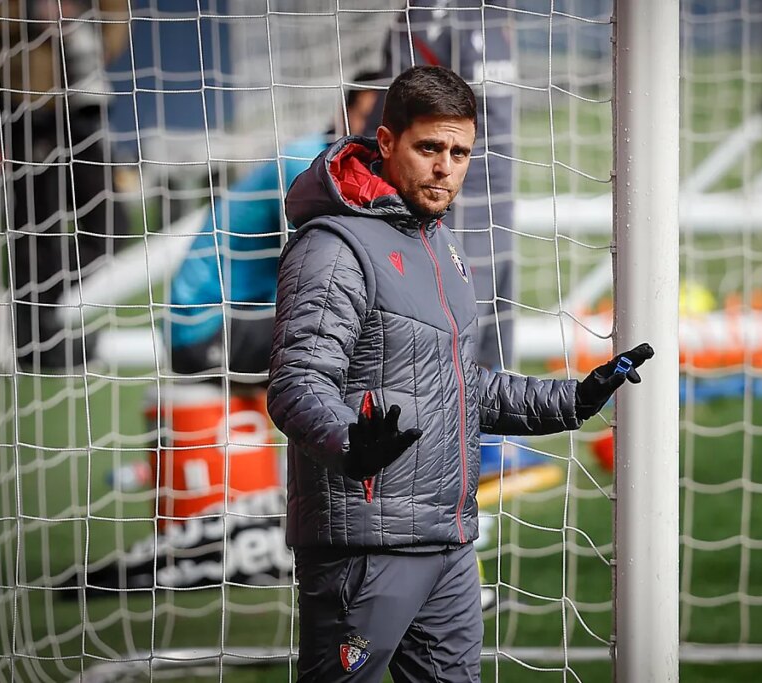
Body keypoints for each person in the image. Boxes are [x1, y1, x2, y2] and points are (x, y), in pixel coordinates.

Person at [268, 65, 653, 682]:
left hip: (448, 544)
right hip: (366, 545)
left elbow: (460, 387)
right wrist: (352, 443)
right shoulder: (333, 247)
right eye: (429, 148)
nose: (445, 167)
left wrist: (575, 399)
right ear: (386, 141)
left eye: (460, 153)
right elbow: (297, 384)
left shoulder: (442, 247)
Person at [167, 76, 382, 380]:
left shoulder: (329, 164)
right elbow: (327, 270)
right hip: (204, 329)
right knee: (358, 332)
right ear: (342, 114)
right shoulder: (308, 165)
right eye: (368, 117)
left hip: (239, 318)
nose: (374, 130)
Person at [372, 0, 518, 371]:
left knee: (487, 358)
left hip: (493, 210)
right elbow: (397, 119)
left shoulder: (493, 12)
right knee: (451, 357)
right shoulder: (434, 14)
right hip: (457, 212)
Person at [0, 0, 130, 370]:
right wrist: (31, 15)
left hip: (82, 101)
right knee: (35, 229)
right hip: (26, 106)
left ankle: (37, 315)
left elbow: (117, 12)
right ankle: (35, 340)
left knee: (112, 227)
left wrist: (92, 32)